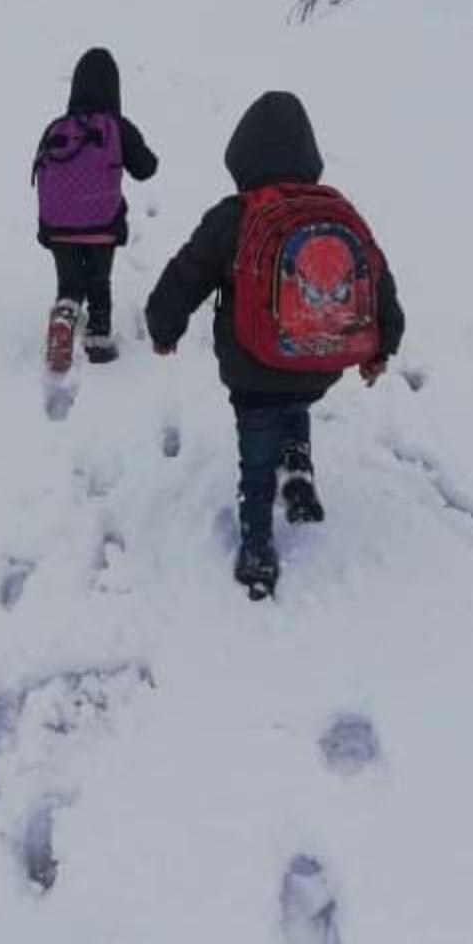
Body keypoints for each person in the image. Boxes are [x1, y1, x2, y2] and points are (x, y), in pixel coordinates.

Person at [145, 91, 405, 600]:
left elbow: (186, 275)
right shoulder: (337, 210)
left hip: (253, 365)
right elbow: (378, 279)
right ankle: (300, 470)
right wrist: (381, 347)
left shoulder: (233, 215)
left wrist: (163, 327)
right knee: (297, 402)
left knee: (256, 452)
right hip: (321, 358)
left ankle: (259, 545)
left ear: (241, 157)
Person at [34, 47, 158, 369]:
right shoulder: (116, 125)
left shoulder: (58, 127)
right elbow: (147, 168)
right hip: (102, 224)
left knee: (70, 283)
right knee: (99, 282)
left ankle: (64, 315)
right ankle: (99, 342)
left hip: (59, 226)